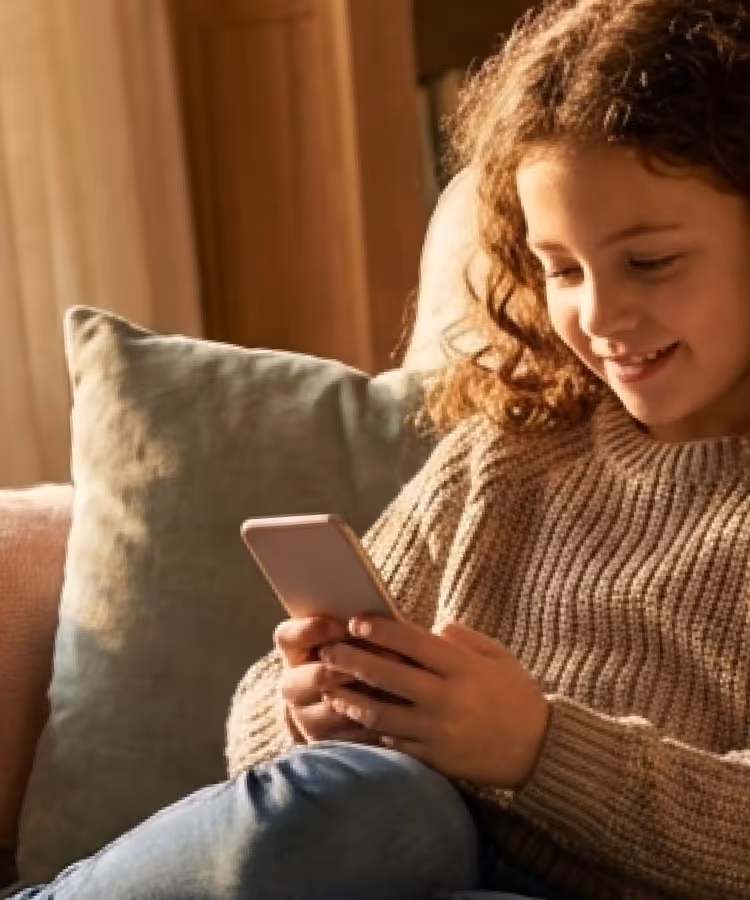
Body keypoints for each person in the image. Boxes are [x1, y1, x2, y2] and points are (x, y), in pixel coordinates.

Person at [10, 0, 750, 897]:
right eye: (562, 268)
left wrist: (535, 749)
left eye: (650, 262)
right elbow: (260, 743)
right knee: (385, 804)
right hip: (375, 852)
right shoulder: (504, 457)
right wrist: (309, 706)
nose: (596, 315)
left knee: (398, 809)